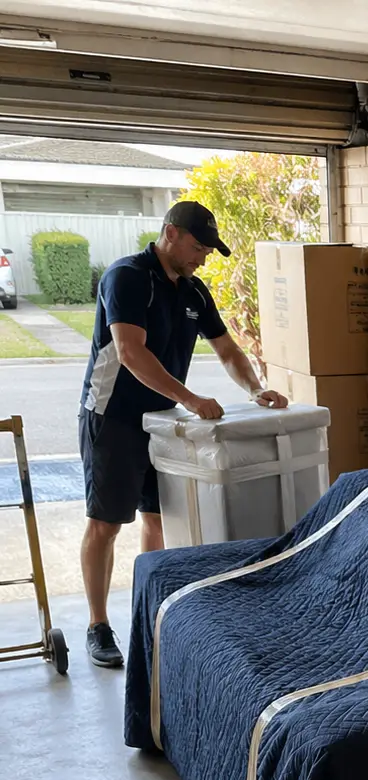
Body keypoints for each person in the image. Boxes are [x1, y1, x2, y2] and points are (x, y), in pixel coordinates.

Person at [79, 200, 287, 668]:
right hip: (113, 417)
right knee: (106, 524)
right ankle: (98, 625)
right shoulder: (127, 277)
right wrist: (191, 399)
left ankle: (149, 612)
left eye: (209, 252)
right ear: (170, 234)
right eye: (198, 248)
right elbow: (130, 352)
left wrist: (255, 388)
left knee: (160, 519)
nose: (203, 259)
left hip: (163, 421)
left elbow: (227, 350)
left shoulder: (194, 291)